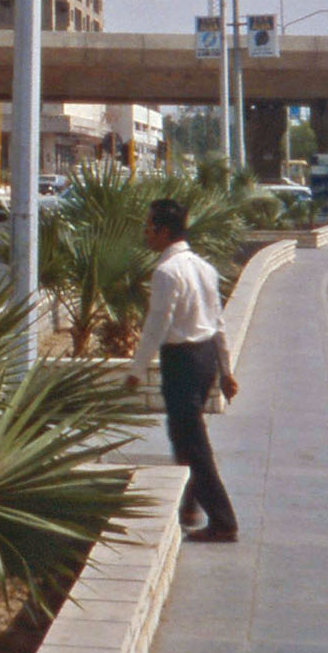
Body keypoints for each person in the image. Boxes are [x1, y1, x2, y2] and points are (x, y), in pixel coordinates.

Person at [126, 197, 240, 542]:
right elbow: (218, 323)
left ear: (163, 232)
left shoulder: (166, 273)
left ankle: (223, 521)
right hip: (205, 359)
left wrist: (136, 370)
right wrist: (225, 370)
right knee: (183, 435)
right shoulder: (204, 268)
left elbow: (156, 326)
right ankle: (189, 505)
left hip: (182, 363)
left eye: (149, 228)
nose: (145, 234)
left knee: (192, 442)